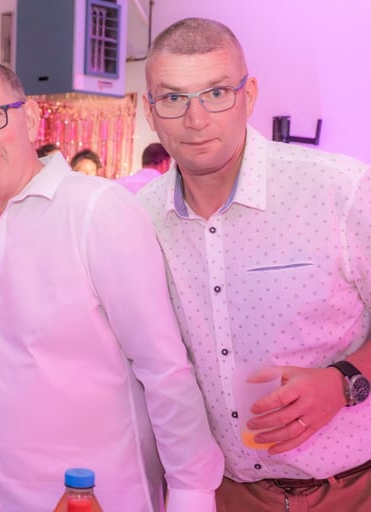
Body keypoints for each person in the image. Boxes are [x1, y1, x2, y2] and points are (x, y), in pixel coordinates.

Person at [0, 59, 223, 512]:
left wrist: (191, 493)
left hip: (93, 497)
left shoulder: (97, 211)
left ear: (29, 117)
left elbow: (162, 366)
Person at [137, 17, 371, 511]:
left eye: (216, 93)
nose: (196, 119)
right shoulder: (138, 220)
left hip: (353, 489)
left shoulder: (341, 191)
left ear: (249, 95)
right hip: (222, 494)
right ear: (149, 110)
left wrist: (341, 382)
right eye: (174, 97)